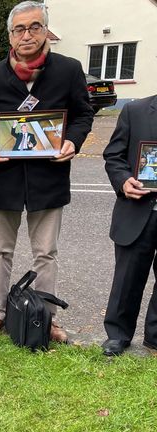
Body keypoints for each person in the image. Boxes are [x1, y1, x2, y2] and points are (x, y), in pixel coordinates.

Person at [0, 1, 94, 342]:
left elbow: (82, 115)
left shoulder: (68, 70)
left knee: (46, 253)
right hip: (1, 180)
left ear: (46, 31)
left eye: (34, 27)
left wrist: (73, 142)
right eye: (19, 29)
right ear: (9, 36)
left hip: (47, 179)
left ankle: (46, 319)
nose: (27, 35)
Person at [101, 95, 157, 356]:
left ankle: (154, 338)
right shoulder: (135, 110)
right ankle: (118, 335)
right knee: (127, 278)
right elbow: (114, 155)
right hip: (137, 209)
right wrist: (123, 181)